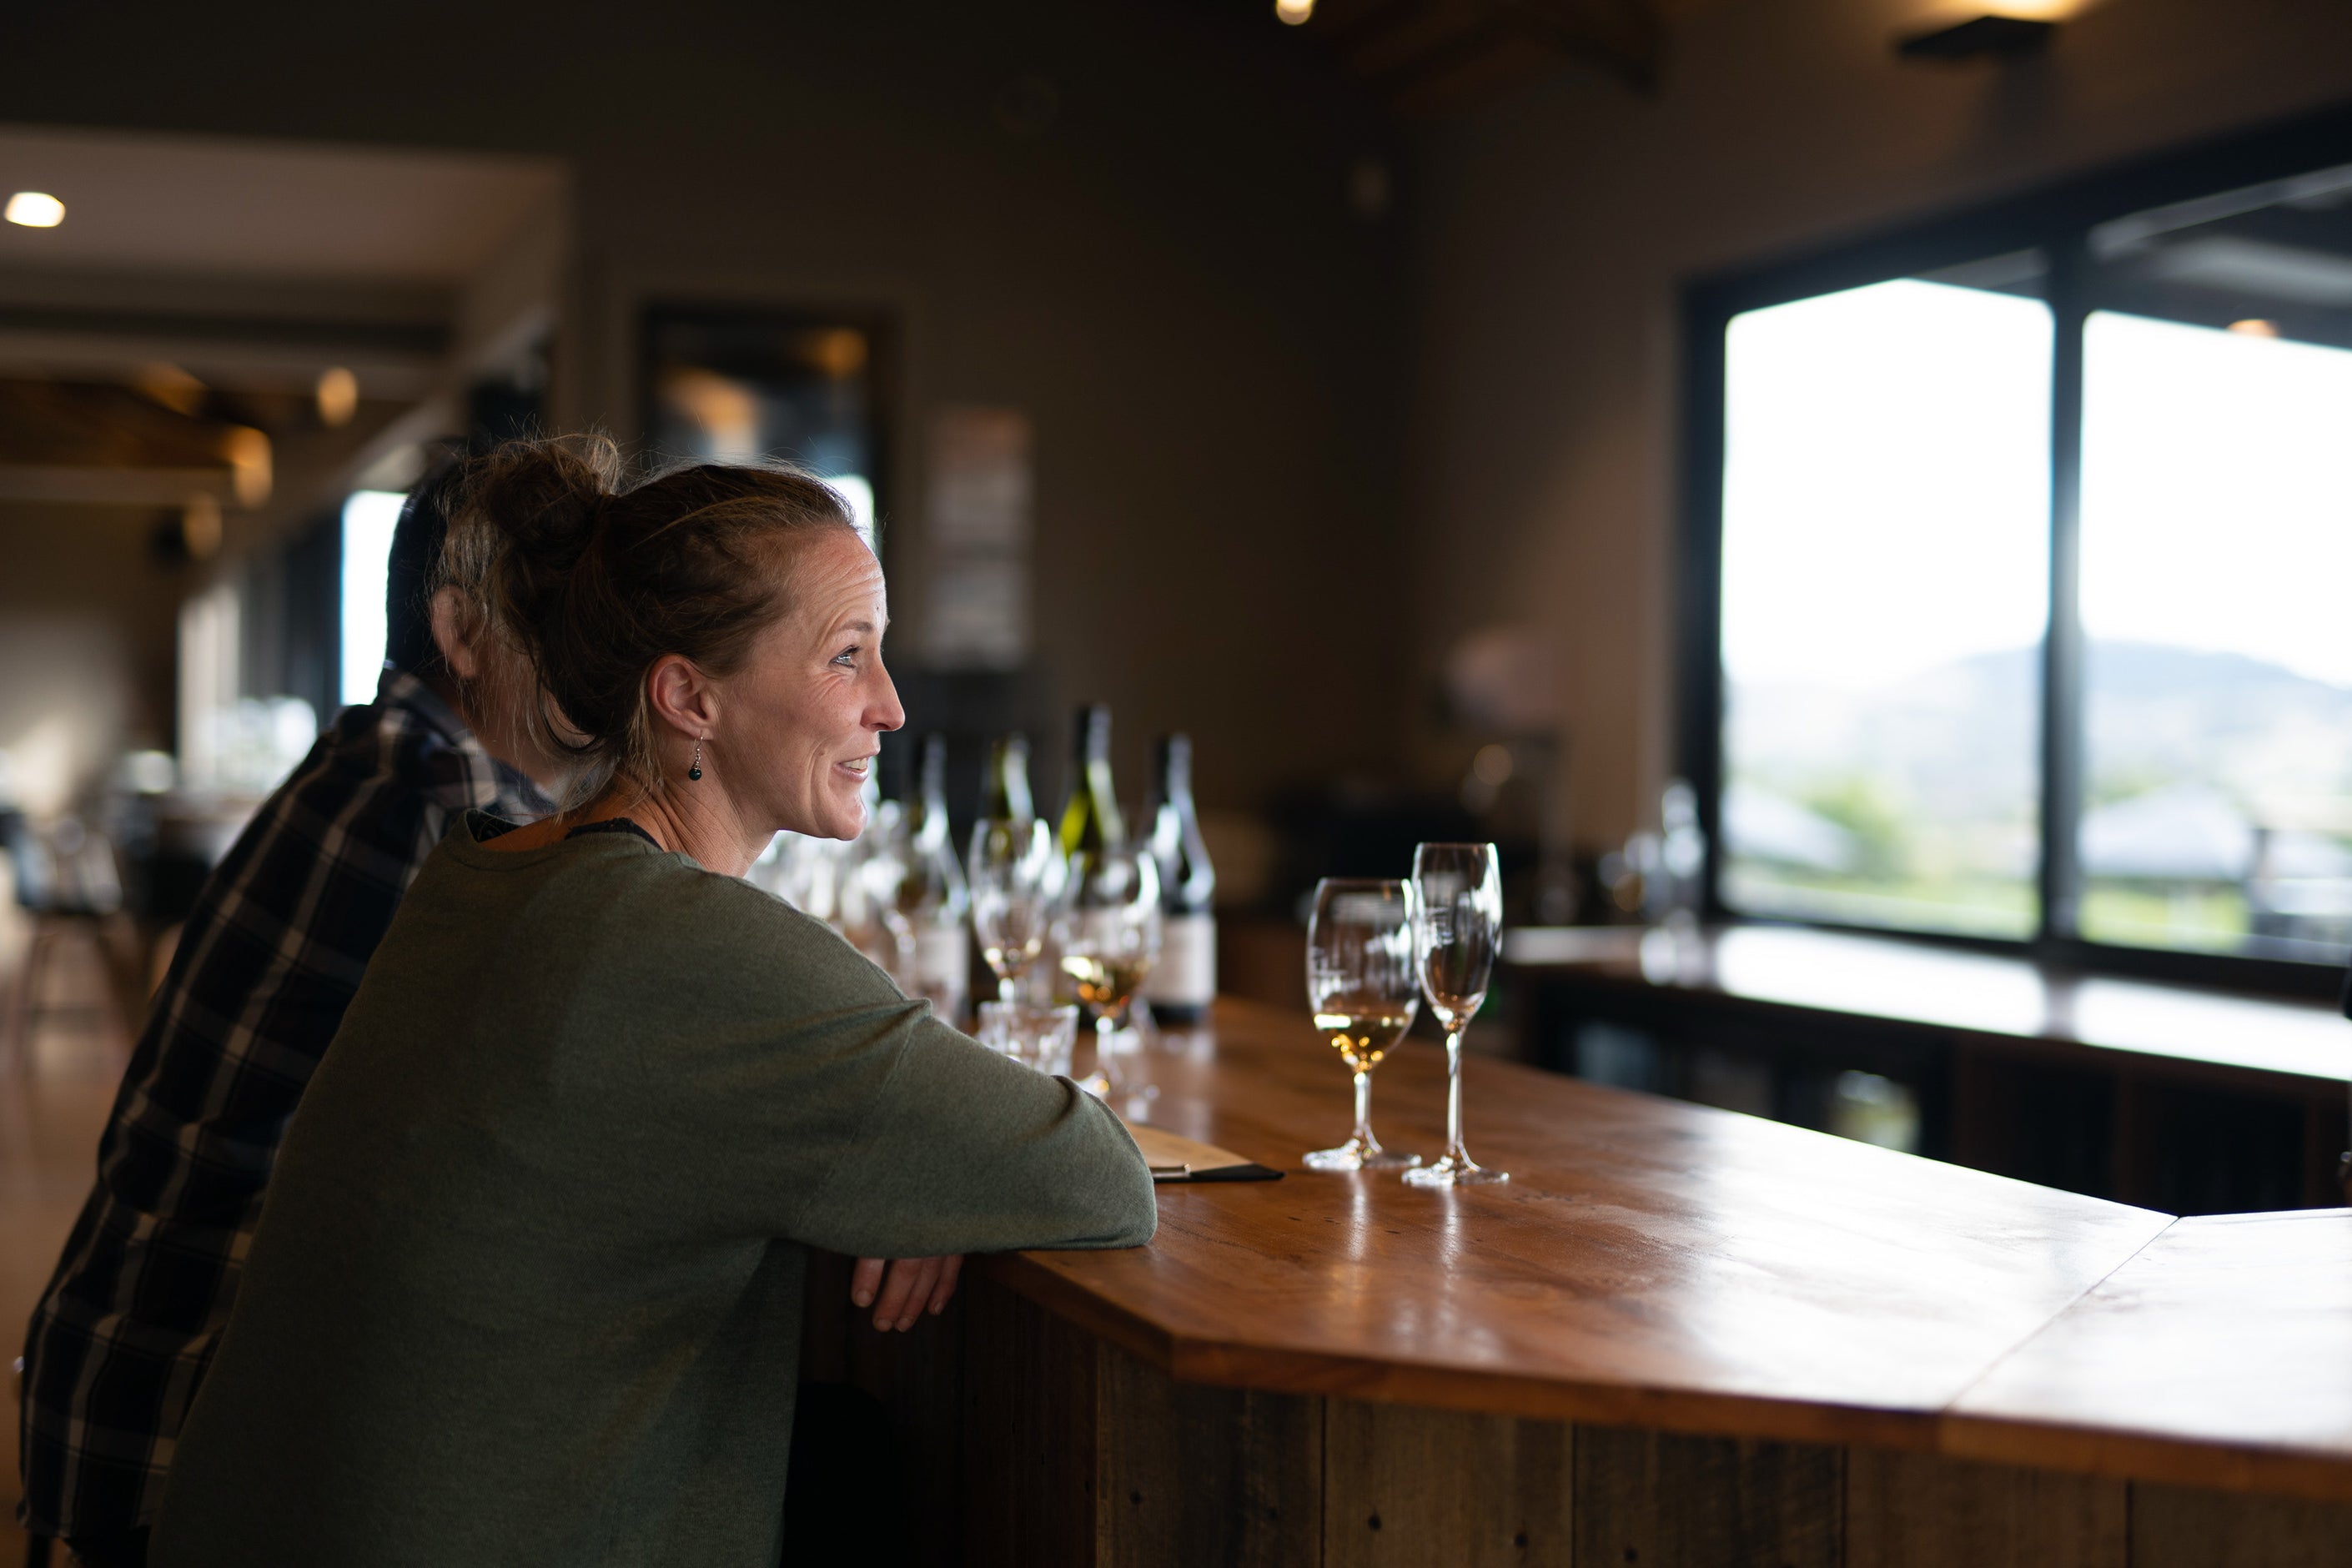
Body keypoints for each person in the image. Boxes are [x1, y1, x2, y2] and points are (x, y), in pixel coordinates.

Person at [149, 438, 1157, 1567]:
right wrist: (937, 1173)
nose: (890, 706)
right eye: (847, 656)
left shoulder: (489, 869)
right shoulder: (685, 943)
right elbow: (1101, 1177)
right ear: (688, 697)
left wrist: (923, 1168)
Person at [17, 459, 555, 1568]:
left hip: (127, 1374)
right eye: (573, 611)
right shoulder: (447, 807)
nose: (608, 650)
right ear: (462, 632)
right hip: (183, 1430)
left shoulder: (379, 759)